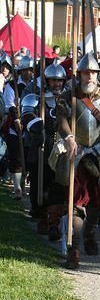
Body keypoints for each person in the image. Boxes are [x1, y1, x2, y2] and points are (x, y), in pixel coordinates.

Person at [55, 51, 100, 269]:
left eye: (93, 73)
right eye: (85, 73)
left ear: (98, 74)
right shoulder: (68, 96)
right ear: (79, 75)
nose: (89, 77)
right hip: (77, 154)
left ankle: (90, 234)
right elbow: (62, 120)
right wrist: (69, 136)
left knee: (98, 202)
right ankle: (73, 249)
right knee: (75, 204)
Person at [21, 60, 67, 236]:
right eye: (53, 80)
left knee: (58, 188)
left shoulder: (67, 100)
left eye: (60, 81)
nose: (56, 84)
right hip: (40, 149)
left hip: (60, 151)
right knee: (39, 188)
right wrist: (36, 123)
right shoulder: (35, 98)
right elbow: (26, 114)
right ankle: (42, 218)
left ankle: (54, 223)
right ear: (47, 81)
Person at [3, 53, 34, 199]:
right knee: (16, 156)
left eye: (30, 70)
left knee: (28, 157)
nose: (28, 73)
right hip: (15, 126)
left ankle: (22, 183)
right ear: (20, 71)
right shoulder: (11, 85)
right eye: (25, 70)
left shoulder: (37, 86)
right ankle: (17, 188)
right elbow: (10, 105)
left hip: (32, 125)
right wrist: (16, 120)